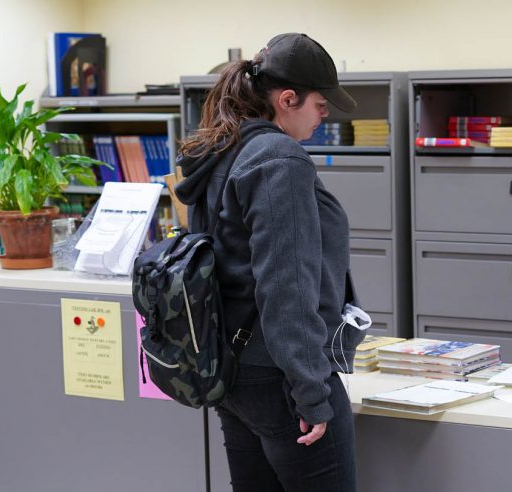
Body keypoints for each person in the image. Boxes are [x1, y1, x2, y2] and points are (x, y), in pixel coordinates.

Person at [175, 33, 360, 492]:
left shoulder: (223, 149)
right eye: (320, 103)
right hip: (280, 378)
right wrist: (311, 392)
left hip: (232, 370)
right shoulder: (279, 159)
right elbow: (286, 288)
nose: (325, 114)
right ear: (287, 98)